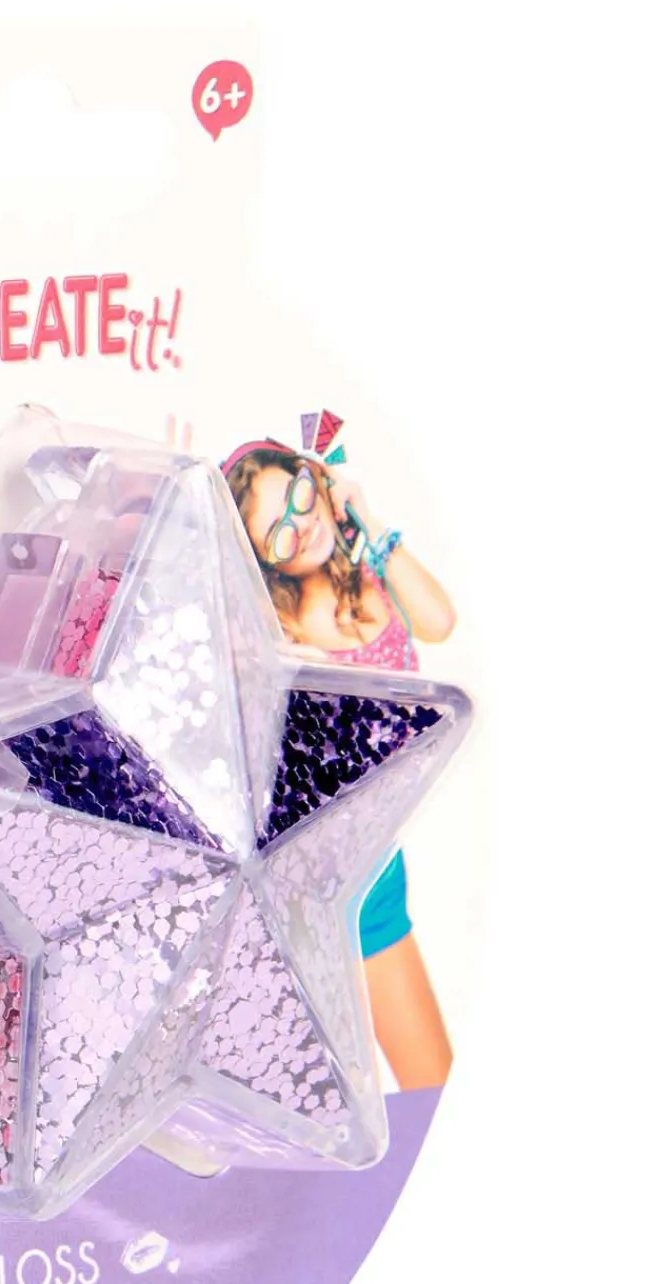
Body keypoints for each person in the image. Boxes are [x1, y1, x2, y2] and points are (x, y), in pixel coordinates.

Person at [223, 439, 457, 1089]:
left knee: (432, 1085)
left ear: (316, 479)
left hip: (377, 868)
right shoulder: (274, 629)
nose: (300, 526)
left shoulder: (373, 574)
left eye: (298, 495)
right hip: (308, 883)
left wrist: (366, 519)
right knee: (345, 1097)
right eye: (276, 534)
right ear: (263, 562)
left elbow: (439, 621)